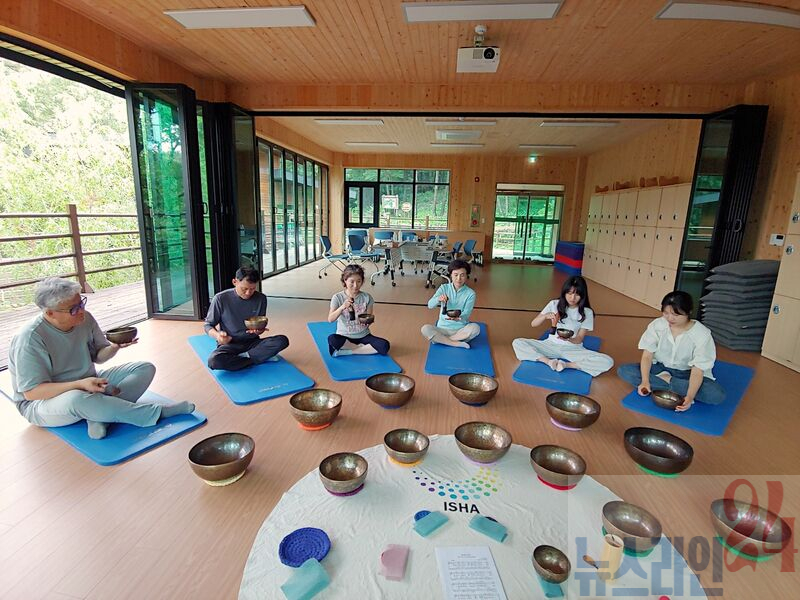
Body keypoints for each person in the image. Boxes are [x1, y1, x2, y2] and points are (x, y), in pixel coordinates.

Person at [8, 277, 194, 440]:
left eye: (81, 303)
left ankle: (99, 416)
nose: (81, 311)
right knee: (76, 399)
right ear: (50, 313)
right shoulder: (30, 339)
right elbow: (32, 393)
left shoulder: (84, 319)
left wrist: (114, 347)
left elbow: (99, 356)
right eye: (73, 309)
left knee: (145, 368)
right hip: (44, 403)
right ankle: (158, 412)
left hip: (89, 383)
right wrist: (79, 385)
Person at [617, 290, 725, 411]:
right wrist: (645, 381)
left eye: (676, 315)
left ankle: (666, 381)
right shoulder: (658, 325)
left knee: (716, 395)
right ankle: (673, 386)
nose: (670, 318)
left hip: (687, 374)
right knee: (624, 371)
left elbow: (697, 370)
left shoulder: (701, 334)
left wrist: (689, 397)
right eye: (666, 313)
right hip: (659, 368)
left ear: (689, 312)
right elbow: (647, 356)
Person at [512, 275, 614, 376]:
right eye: (569, 293)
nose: (572, 298)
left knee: (608, 361)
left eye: (577, 295)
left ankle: (566, 365)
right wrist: (544, 316)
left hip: (573, 349)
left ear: (583, 295)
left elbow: (579, 338)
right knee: (518, 342)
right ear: (564, 292)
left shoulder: (587, 312)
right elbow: (533, 323)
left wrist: (569, 339)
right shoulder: (554, 304)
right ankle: (548, 362)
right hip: (550, 345)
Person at [205, 266, 289, 371]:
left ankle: (243, 359)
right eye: (244, 289)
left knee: (282, 340)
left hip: (253, 343)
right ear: (235, 282)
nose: (248, 293)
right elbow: (208, 325)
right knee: (214, 361)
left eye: (252, 289)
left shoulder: (261, 298)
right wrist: (218, 335)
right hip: (230, 344)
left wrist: (259, 331)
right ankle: (256, 357)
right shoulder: (220, 298)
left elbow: (259, 325)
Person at [327, 264, 390, 356]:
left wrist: (368, 321)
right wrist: (342, 307)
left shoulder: (367, 297)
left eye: (359, 281)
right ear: (345, 280)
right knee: (333, 339)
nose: (355, 285)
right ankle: (364, 349)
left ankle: (350, 351)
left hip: (363, 336)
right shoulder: (337, 297)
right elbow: (330, 319)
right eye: (352, 282)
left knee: (384, 345)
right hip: (344, 336)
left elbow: (369, 318)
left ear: (362, 281)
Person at [421, 259, 480, 348]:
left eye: (462, 275)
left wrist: (458, 318)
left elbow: (466, 314)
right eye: (455, 275)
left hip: (460, 330)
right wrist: (438, 299)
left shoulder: (470, 293)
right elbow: (430, 305)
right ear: (451, 275)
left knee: (476, 328)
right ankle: (455, 343)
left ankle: (442, 340)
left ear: (466, 276)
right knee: (425, 329)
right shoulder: (444, 288)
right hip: (442, 329)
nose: (458, 279)